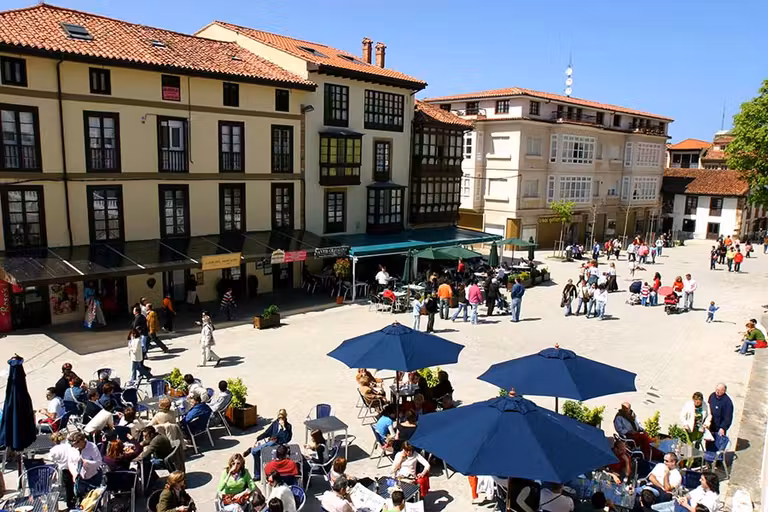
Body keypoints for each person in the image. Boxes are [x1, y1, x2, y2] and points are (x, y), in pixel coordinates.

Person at [243, 409, 293, 477]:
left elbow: (286, 439)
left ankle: (251, 449)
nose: (280, 420)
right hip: (271, 443)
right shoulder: (275, 423)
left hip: (279, 446)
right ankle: (257, 475)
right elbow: (267, 433)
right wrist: (257, 438)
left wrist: (284, 428)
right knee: (255, 453)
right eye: (279, 417)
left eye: (282, 418)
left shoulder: (288, 426)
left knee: (272, 443)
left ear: (285, 417)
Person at [63, 432, 103, 509]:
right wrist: (74, 474)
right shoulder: (72, 449)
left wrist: (87, 462)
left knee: (94, 500)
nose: (73, 447)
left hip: (93, 476)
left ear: (81, 441)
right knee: (82, 500)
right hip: (80, 477)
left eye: (75, 444)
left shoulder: (92, 447)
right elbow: (71, 462)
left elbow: (98, 462)